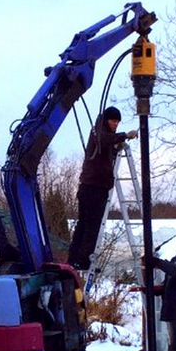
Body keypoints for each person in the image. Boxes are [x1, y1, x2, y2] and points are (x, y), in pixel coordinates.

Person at [67, 106, 138, 270]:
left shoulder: (101, 135)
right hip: (93, 187)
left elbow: (104, 153)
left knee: (85, 224)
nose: (116, 125)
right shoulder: (99, 133)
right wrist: (125, 136)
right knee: (91, 225)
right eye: (114, 121)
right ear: (107, 120)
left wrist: (115, 148)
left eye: (118, 122)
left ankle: (75, 259)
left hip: (93, 186)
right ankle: (82, 260)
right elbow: (104, 140)